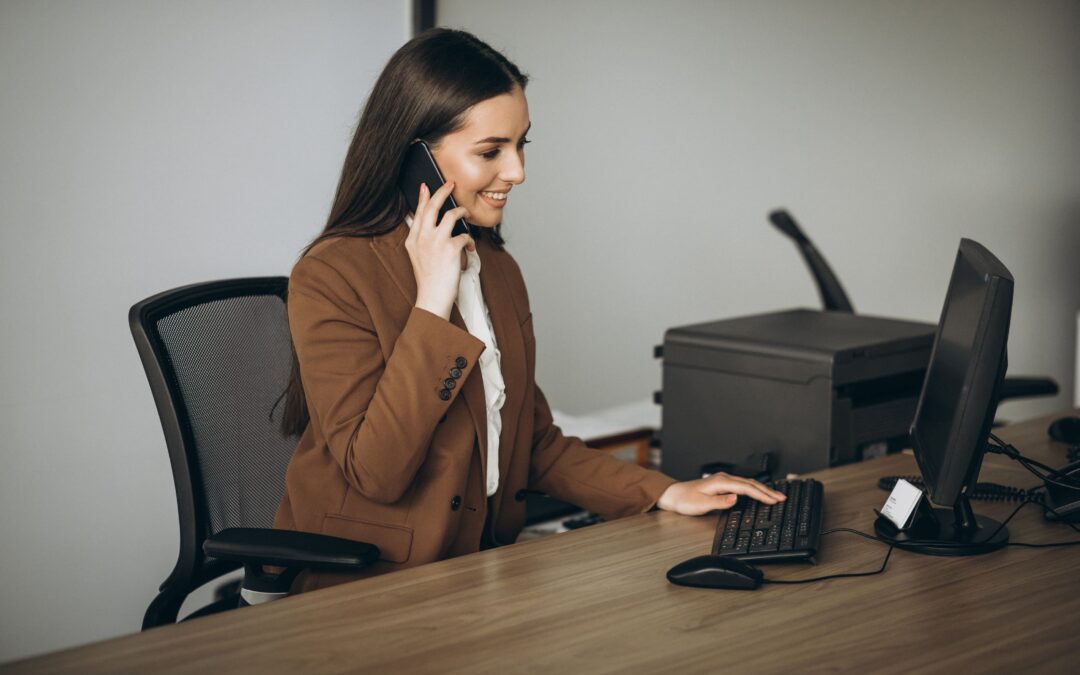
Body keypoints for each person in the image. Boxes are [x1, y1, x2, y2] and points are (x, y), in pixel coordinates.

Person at [274, 28, 784, 591]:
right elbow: (376, 472)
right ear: (414, 156)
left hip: (479, 575)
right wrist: (431, 304)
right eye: (491, 151)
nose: (516, 171)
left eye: (521, 146)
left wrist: (663, 490)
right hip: (368, 585)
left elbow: (532, 442)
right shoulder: (332, 275)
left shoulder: (496, 269)